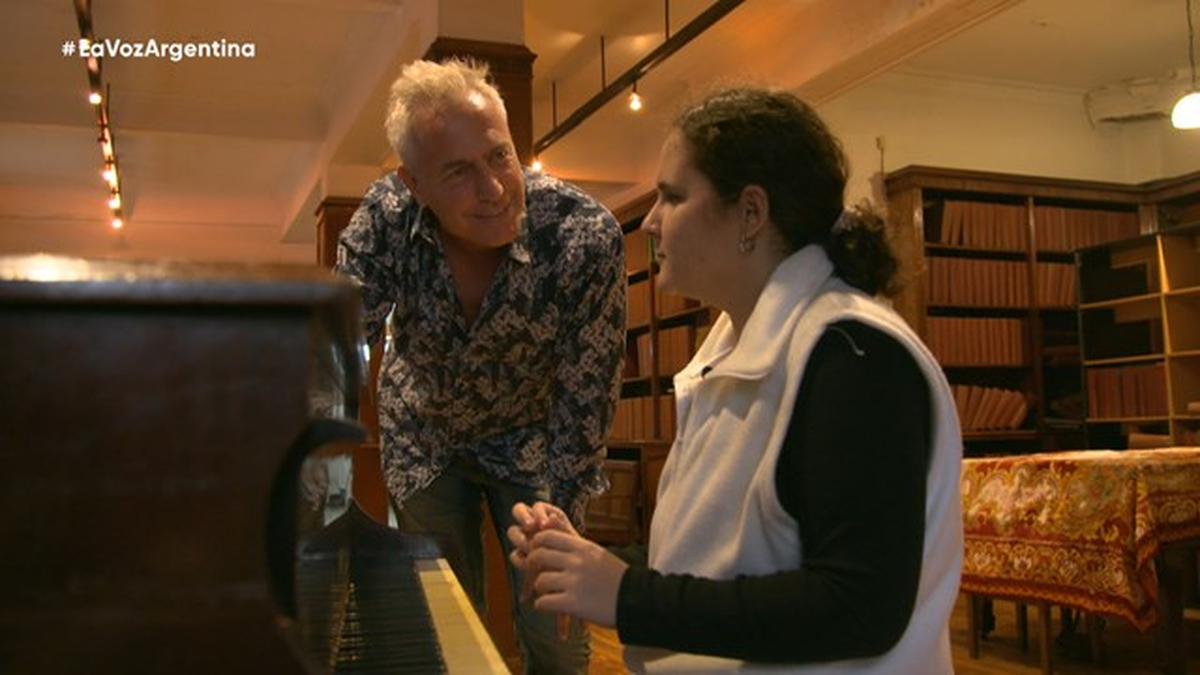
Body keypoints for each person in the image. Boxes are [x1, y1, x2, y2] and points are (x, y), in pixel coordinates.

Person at [507, 87, 963, 673]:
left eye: (673, 196)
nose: (651, 221)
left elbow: (860, 607)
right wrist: (588, 564)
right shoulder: (737, 342)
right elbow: (721, 558)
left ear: (751, 212)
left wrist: (625, 594)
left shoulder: (855, 356)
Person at [335, 57, 626, 674]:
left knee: (556, 630)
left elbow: (587, 394)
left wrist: (565, 519)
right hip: (424, 435)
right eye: (458, 172)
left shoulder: (582, 235)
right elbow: (340, 340)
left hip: (531, 439)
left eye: (499, 157)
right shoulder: (386, 218)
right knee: (445, 628)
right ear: (414, 183)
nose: (493, 189)